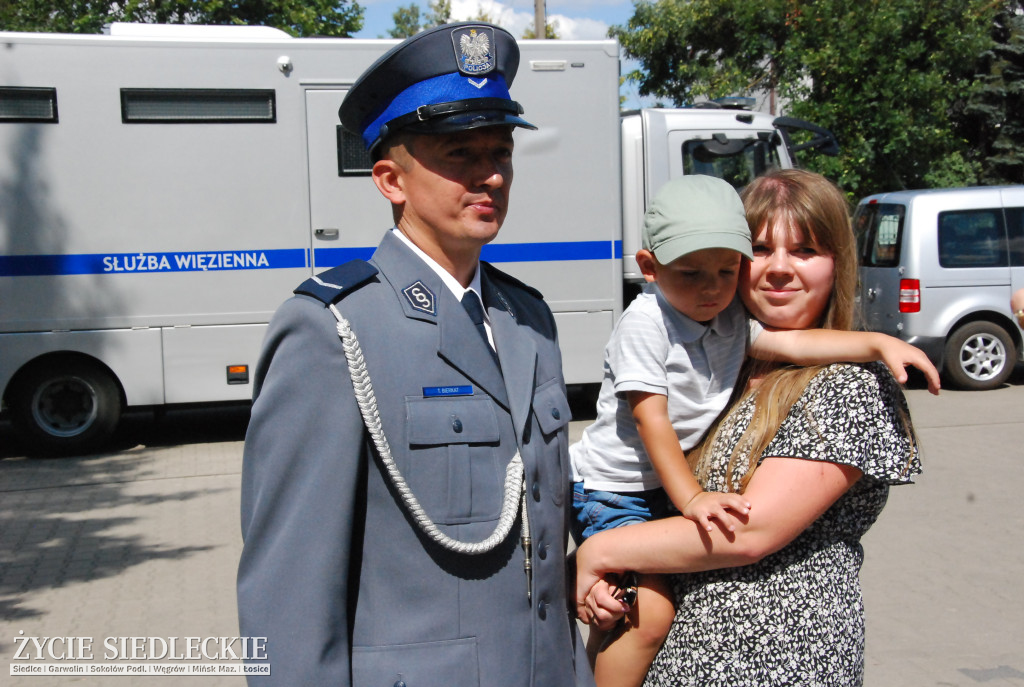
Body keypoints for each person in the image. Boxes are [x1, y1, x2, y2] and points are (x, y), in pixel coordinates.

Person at [237, 23, 593, 686]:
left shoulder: (529, 317)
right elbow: (287, 597)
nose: (490, 174)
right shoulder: (333, 327)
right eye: (460, 153)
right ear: (389, 179)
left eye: (501, 151)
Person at [570, 175, 938, 687]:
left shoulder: (848, 386)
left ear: (837, 261)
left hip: (776, 662)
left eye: (806, 249)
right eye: (761, 248)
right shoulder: (719, 351)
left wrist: (600, 552)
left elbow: (749, 531)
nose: (780, 268)